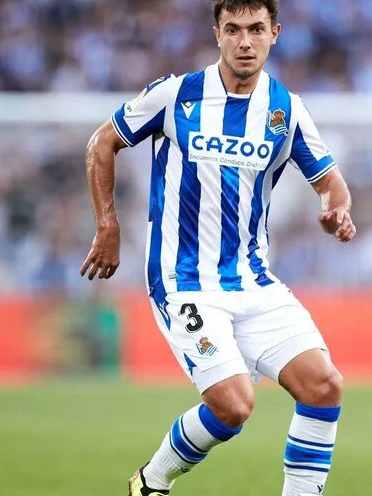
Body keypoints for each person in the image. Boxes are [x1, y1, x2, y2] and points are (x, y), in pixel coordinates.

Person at [80, 1, 356, 494]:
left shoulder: (286, 109)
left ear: (275, 33)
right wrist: (107, 225)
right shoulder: (176, 95)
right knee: (234, 405)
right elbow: (102, 142)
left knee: (324, 385)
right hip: (184, 281)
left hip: (253, 280)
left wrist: (337, 209)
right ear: (217, 34)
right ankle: (152, 482)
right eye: (233, 29)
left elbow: (330, 181)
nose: (245, 41)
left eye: (256, 29)